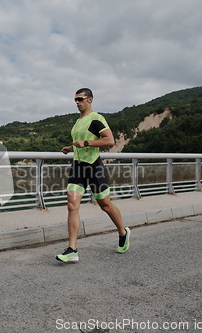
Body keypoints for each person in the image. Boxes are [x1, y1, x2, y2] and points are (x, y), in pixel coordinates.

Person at [56, 88, 130, 262]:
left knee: (105, 205)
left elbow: (109, 140)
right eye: (75, 99)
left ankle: (123, 232)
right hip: (78, 167)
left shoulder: (96, 119)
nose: (77, 102)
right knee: (72, 205)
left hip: (93, 166)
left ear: (90, 99)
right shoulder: (77, 122)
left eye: (80, 99)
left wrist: (87, 143)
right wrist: (71, 147)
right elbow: (80, 143)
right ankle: (72, 249)